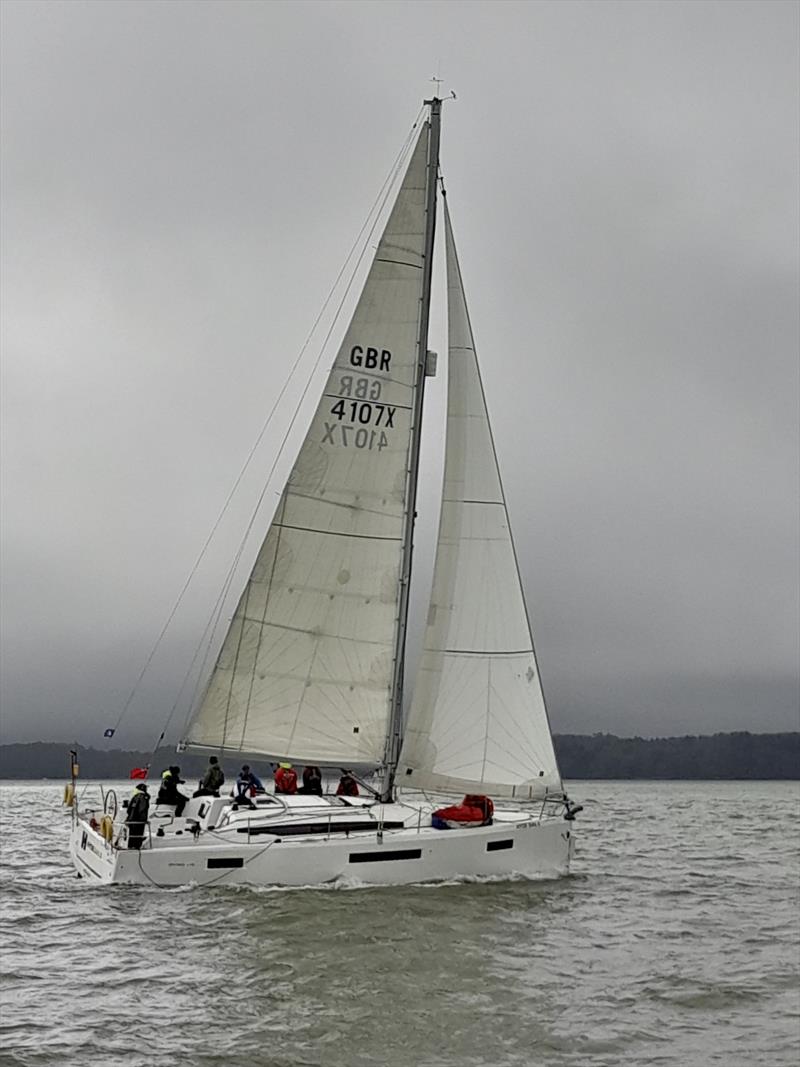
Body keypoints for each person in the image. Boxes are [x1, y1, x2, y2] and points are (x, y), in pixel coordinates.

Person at [126, 782, 150, 849]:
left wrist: (129, 818)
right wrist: (144, 820)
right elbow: (142, 809)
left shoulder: (135, 797)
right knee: (138, 836)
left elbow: (128, 810)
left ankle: (130, 847)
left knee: (132, 836)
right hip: (139, 821)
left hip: (131, 820)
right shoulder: (143, 798)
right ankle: (137, 847)